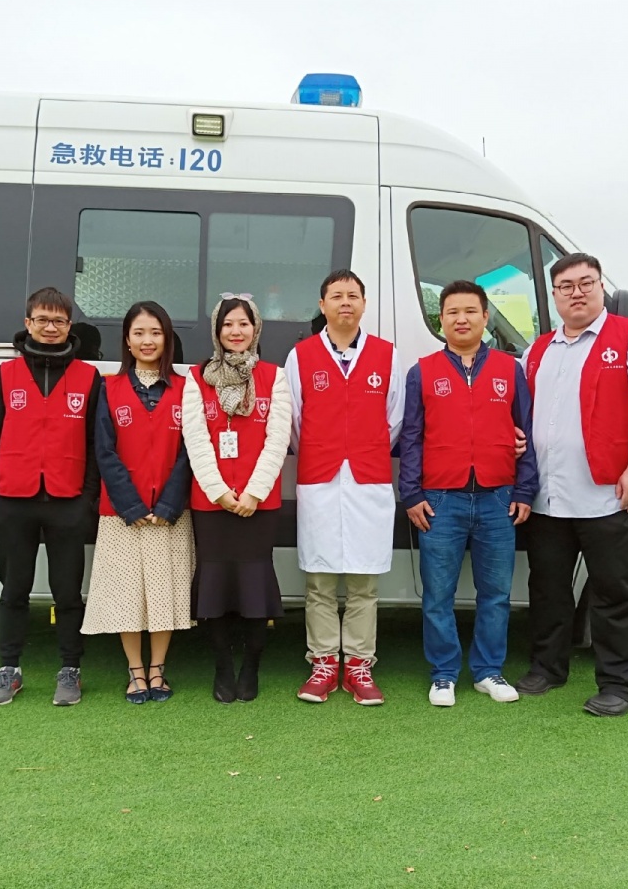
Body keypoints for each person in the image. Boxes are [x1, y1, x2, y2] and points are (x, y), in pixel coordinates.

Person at [516, 253, 628, 716]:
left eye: (587, 283)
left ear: (602, 287)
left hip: (608, 494)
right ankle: (548, 667)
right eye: (566, 286)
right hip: (548, 496)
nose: (577, 292)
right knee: (547, 588)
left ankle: (620, 685)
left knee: (614, 592)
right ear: (554, 296)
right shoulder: (538, 350)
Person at [400, 280, 538, 707]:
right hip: (441, 499)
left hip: (498, 497)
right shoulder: (422, 372)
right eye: (452, 312)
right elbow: (411, 438)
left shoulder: (510, 370)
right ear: (440, 320)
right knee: (437, 596)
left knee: (495, 595)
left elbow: (527, 432)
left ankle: (488, 671)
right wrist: (411, 494)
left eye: (470, 311)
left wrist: (525, 489)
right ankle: (443, 674)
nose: (461, 319)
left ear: (485, 317)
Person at [284, 269, 404, 706]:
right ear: (323, 305)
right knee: (318, 580)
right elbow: (294, 421)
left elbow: (394, 419)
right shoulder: (301, 356)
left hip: (368, 479)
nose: (345, 302)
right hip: (319, 477)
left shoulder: (387, 355)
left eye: (353, 295)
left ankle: (358, 665)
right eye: (336, 296)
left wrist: (361, 451)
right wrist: (326, 451)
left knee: (363, 582)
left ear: (364, 304)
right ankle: (323, 663)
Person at [0, 287, 100, 707]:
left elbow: (96, 442)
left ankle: (70, 670)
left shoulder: (88, 378)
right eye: (42, 320)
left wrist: (87, 499)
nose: (51, 328)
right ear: (28, 323)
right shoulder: (5, 375)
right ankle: (9, 669)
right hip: (14, 499)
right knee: (14, 590)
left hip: (68, 501)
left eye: (59, 321)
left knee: (67, 592)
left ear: (70, 326)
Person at [81, 301, 194, 704]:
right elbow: (103, 451)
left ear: (167, 340)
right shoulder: (108, 388)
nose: (148, 341)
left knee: (165, 593)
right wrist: (130, 506)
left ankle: (158, 669)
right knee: (127, 595)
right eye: (139, 333)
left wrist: (168, 505)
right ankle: (135, 671)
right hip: (122, 514)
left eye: (156, 333)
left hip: (170, 514)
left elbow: (190, 451)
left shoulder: (187, 389)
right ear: (127, 341)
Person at [183, 294, 292, 703]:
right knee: (214, 587)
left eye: (243, 323)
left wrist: (253, 492)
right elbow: (195, 439)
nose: (236, 331)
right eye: (227, 324)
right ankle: (223, 668)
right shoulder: (197, 378)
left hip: (258, 505)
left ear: (255, 328)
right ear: (217, 330)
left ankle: (251, 668)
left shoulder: (274, 377)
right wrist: (219, 492)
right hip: (212, 503)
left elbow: (278, 440)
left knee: (254, 586)